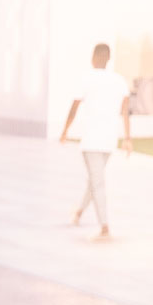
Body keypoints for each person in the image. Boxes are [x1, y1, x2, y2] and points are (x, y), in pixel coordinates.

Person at [59, 41, 130, 240]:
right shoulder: (119, 81)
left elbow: (73, 108)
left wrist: (64, 131)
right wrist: (127, 138)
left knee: (96, 181)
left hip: (92, 141)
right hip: (108, 141)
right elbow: (125, 112)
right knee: (95, 180)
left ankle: (104, 225)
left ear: (93, 57)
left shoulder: (86, 79)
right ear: (108, 58)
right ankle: (80, 212)